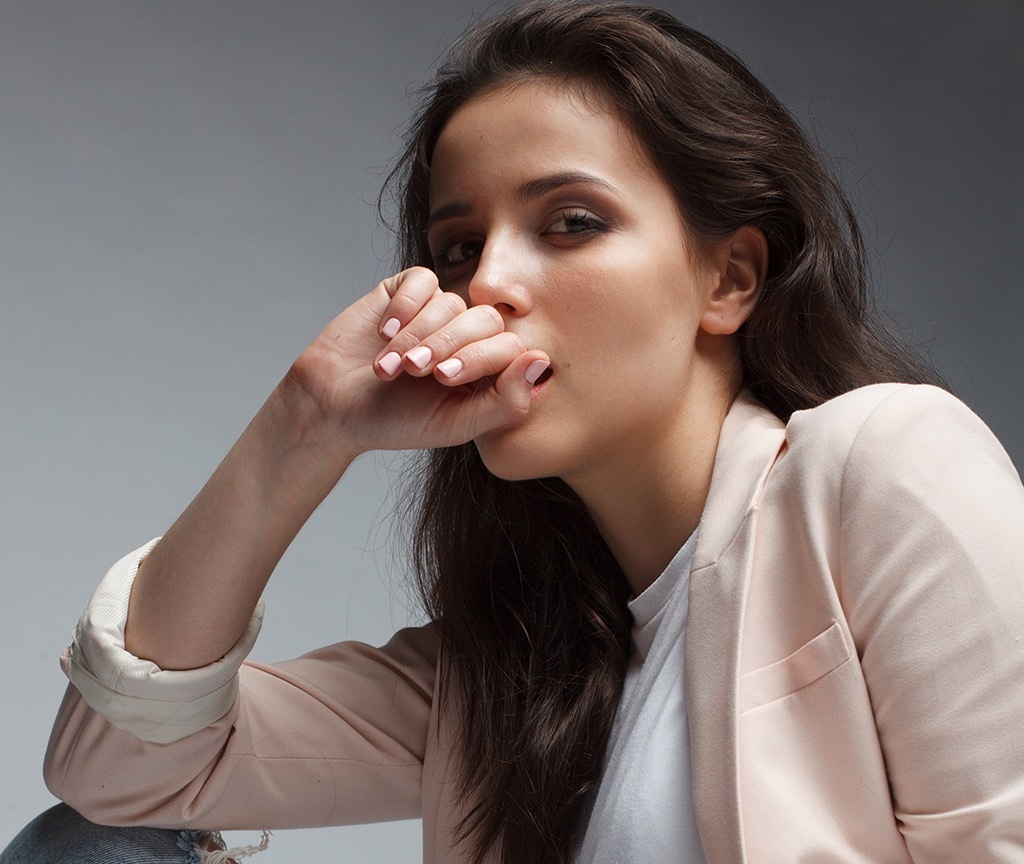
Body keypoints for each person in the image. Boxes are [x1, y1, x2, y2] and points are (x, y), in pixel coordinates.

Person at [4, 1, 1023, 862]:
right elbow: (118, 771)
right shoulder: (500, 676)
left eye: (569, 221)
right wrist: (302, 426)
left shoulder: (879, 464)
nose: (485, 284)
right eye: (456, 247)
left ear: (728, 278)